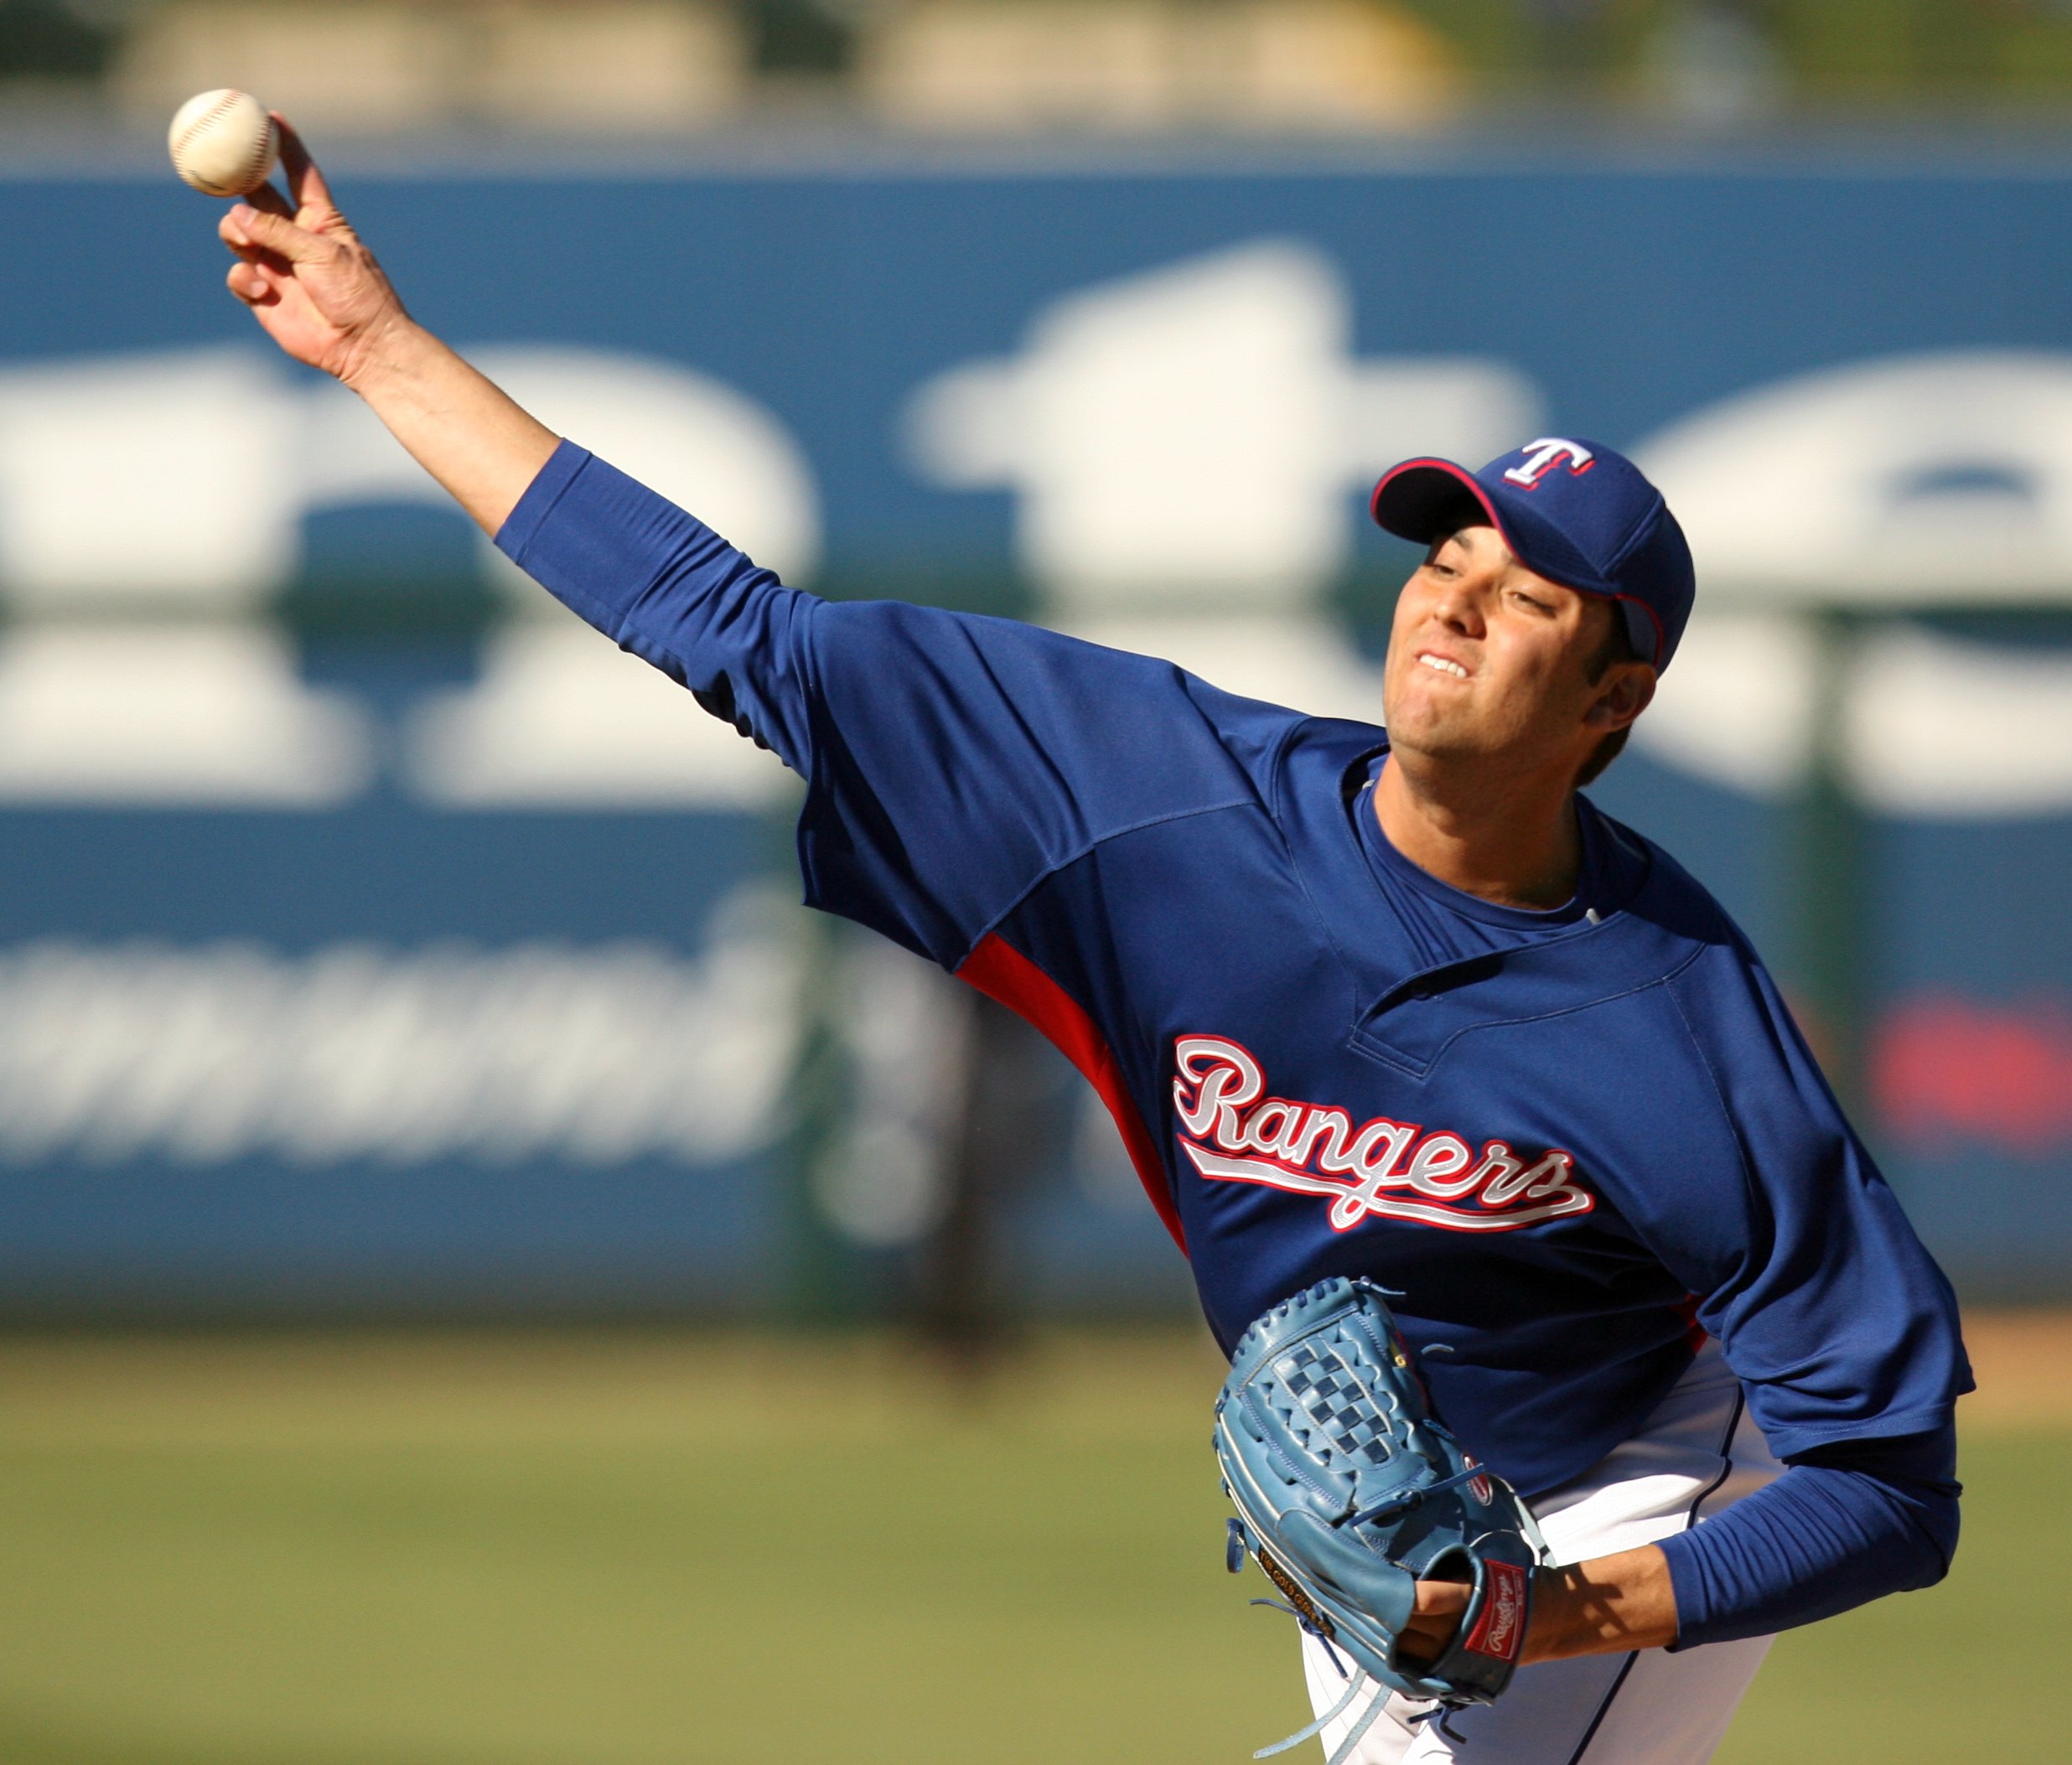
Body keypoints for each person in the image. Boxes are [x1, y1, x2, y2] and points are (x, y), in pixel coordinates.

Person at [212, 122, 1970, 1765]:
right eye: (1449, 550)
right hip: (1412, 1509)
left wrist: (1558, 1606)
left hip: (1632, 1471)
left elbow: (1892, 1486)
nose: (1455, 595)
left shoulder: (1676, 1018)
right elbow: (729, 628)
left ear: (1614, 696)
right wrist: (378, 350)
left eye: (1529, 595)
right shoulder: (1159, 799)